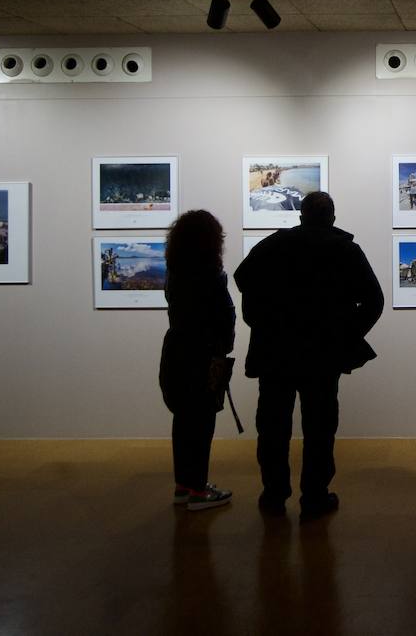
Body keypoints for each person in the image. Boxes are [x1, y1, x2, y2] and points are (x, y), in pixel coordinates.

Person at [234, 192, 383, 521]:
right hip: (323, 354)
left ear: (300, 216)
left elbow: (243, 280)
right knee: (320, 427)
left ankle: (274, 494)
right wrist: (347, 333)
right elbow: (374, 301)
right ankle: (314, 496)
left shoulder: (274, 245)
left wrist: (259, 320)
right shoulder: (345, 250)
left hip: (275, 352)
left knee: (272, 427)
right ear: (332, 217)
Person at [158, 209, 236, 512]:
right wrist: (224, 346)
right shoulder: (210, 276)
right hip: (202, 354)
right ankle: (198, 491)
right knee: (201, 422)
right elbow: (223, 316)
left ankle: (184, 485)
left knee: (183, 419)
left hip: (176, 350)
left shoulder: (174, 273)